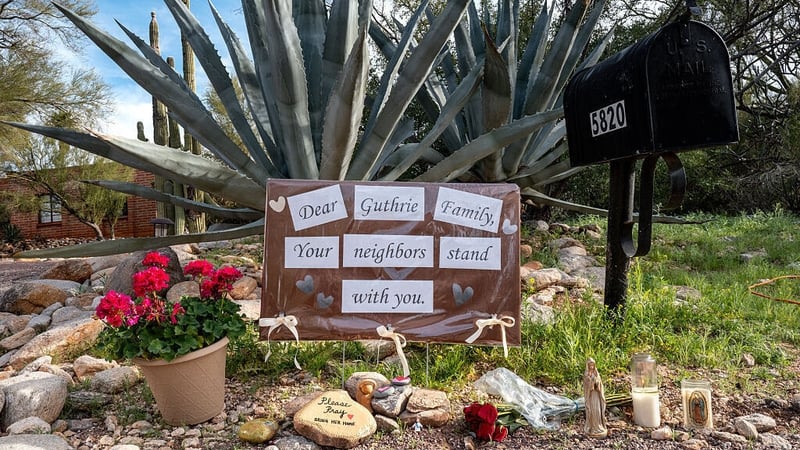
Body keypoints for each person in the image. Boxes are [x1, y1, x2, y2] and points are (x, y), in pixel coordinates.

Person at [583, 357, 608, 438]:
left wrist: (597, 382)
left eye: (593, 365)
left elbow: (600, 383)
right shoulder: (586, 375)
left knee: (598, 411)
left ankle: (599, 426)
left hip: (597, 395)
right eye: (590, 365)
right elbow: (587, 385)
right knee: (593, 411)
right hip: (591, 397)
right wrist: (591, 382)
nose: (591, 367)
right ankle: (593, 428)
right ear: (587, 366)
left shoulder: (596, 373)